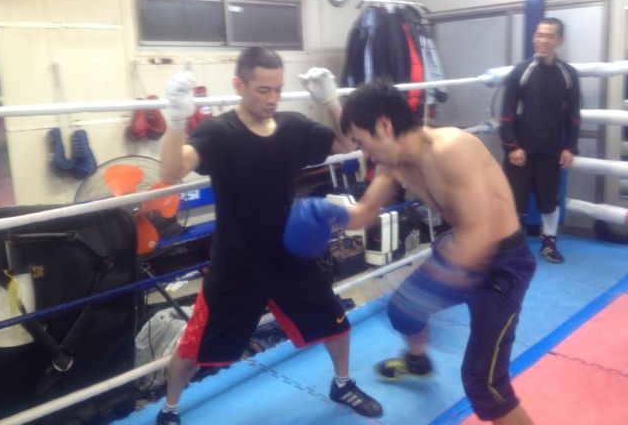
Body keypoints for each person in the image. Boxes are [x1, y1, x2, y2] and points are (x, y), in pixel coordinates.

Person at [284, 81, 536, 424]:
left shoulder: (453, 149)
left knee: (484, 385)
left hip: (502, 266)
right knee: (403, 312)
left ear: (384, 125)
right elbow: (366, 210)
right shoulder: (394, 163)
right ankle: (418, 361)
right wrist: (331, 214)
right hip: (461, 245)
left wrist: (440, 278)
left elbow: (482, 232)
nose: (365, 153)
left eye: (362, 141)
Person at [155, 47, 383, 425]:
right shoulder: (219, 132)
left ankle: (343, 384)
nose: (272, 99)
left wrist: (330, 100)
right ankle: (170, 408)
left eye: (277, 89)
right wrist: (176, 118)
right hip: (236, 262)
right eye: (263, 90)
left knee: (336, 324)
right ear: (239, 85)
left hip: (288, 254)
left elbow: (346, 145)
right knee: (193, 349)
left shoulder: (292, 127)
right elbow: (169, 173)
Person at [499, 17, 580, 263]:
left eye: (549, 36)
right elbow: (506, 113)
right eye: (539, 35)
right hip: (521, 150)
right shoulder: (521, 71)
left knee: (549, 201)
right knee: (514, 200)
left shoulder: (568, 74)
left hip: (552, 149)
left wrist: (570, 147)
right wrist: (512, 146)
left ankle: (549, 243)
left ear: (559, 40)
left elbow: (573, 114)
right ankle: (512, 246)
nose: (542, 40)